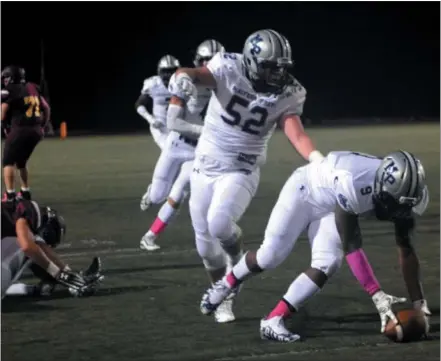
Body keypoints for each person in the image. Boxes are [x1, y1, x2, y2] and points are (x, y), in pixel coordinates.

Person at [172, 29, 324, 323]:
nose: (279, 74)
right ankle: (221, 287)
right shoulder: (227, 67)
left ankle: (233, 273)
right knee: (205, 246)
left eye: (282, 67)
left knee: (219, 224)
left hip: (241, 168)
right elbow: (191, 73)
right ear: (253, 62)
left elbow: (296, 132)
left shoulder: (289, 92)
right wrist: (181, 78)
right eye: (271, 67)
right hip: (204, 166)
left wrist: (316, 158)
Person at [200, 151, 431, 342]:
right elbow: (351, 245)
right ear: (381, 187)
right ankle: (226, 284)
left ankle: (273, 320)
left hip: (330, 205)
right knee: (269, 256)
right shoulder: (354, 182)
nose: (397, 212)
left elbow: (406, 248)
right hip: (305, 191)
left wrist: (419, 303)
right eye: (393, 204)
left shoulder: (404, 193)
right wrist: (376, 295)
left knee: (327, 262)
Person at [140, 39, 224, 252]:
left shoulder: (229, 86)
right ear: (198, 61)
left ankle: (150, 235)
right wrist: (207, 132)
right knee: (158, 195)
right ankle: (152, 192)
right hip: (176, 144)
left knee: (180, 192)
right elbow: (173, 122)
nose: (209, 66)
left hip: (198, 151)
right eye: (205, 60)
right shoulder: (186, 79)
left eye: (214, 60)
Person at [1, 199, 103, 299]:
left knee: (30, 250)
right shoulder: (27, 213)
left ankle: (46, 286)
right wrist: (58, 274)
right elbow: (28, 246)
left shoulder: (12, 215)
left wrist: (64, 273)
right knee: (31, 248)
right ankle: (70, 280)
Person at [1, 65, 51, 202]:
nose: (4, 81)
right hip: (36, 131)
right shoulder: (33, 87)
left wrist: (3, 125)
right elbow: (46, 108)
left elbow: (3, 110)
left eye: (6, 78)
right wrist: (43, 125)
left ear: (11, 78)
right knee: (21, 161)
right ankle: (25, 191)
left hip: (21, 129)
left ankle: (10, 195)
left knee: (7, 161)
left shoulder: (10, 90)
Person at [135, 55, 181, 151]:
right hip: (160, 128)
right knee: (169, 150)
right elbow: (139, 104)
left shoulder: (184, 83)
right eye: (166, 71)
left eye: (172, 71)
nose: (168, 75)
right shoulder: (153, 84)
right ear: (159, 71)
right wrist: (151, 119)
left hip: (179, 127)